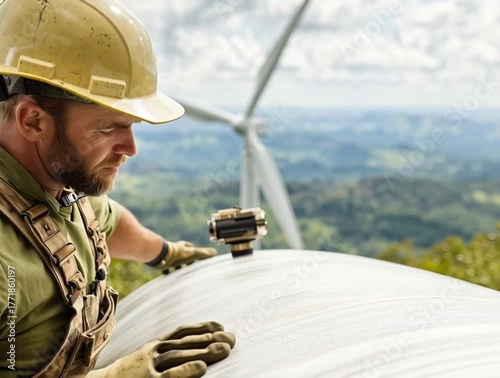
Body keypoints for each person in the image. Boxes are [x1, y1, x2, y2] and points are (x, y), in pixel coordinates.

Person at [0, 0, 235, 377]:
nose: (130, 149)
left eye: (131, 126)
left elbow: (105, 221)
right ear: (33, 121)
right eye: (108, 128)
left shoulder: (60, 188)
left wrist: (165, 253)